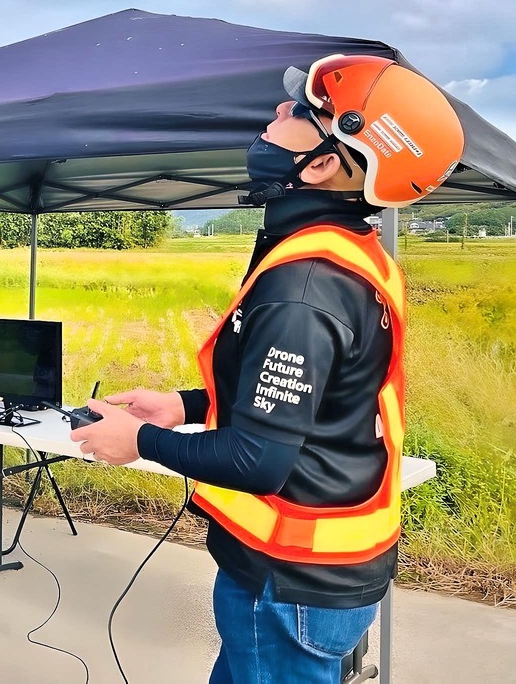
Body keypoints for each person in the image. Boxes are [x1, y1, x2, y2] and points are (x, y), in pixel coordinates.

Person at [70, 55, 465, 683]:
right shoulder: (345, 252)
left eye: (300, 112)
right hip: (317, 572)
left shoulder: (303, 286)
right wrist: (185, 405)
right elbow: (320, 394)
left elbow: (259, 459)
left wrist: (139, 440)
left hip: (292, 581)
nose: (277, 115)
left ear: (325, 161)